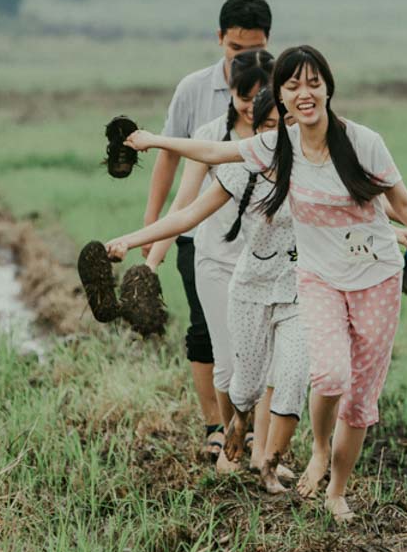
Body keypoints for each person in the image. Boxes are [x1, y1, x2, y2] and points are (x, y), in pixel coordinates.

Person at [124, 45, 407, 522]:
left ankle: (336, 492)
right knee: (328, 375)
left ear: (328, 87)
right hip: (317, 281)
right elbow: (210, 153)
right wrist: (154, 141)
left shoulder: (363, 142)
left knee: (360, 401)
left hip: (377, 281)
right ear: (281, 97)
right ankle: (317, 450)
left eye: (313, 83)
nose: (304, 94)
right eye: (292, 86)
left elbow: (402, 205)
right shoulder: (274, 147)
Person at [101, 90, 308, 492]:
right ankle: (238, 423)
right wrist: (129, 240)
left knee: (289, 376)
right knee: (242, 383)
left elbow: (364, 204)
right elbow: (190, 212)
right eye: (265, 127)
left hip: (297, 290)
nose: (276, 135)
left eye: (285, 126)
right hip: (250, 286)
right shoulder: (246, 163)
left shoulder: (315, 166)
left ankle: (268, 461)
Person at [142, 0, 271, 459]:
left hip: (263, 241)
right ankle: (217, 427)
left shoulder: (279, 99)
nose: (241, 58)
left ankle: (254, 432)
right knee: (206, 331)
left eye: (252, 48)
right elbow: (172, 159)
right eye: (234, 48)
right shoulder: (194, 92)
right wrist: (153, 227)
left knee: (261, 338)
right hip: (201, 235)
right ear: (220, 40)